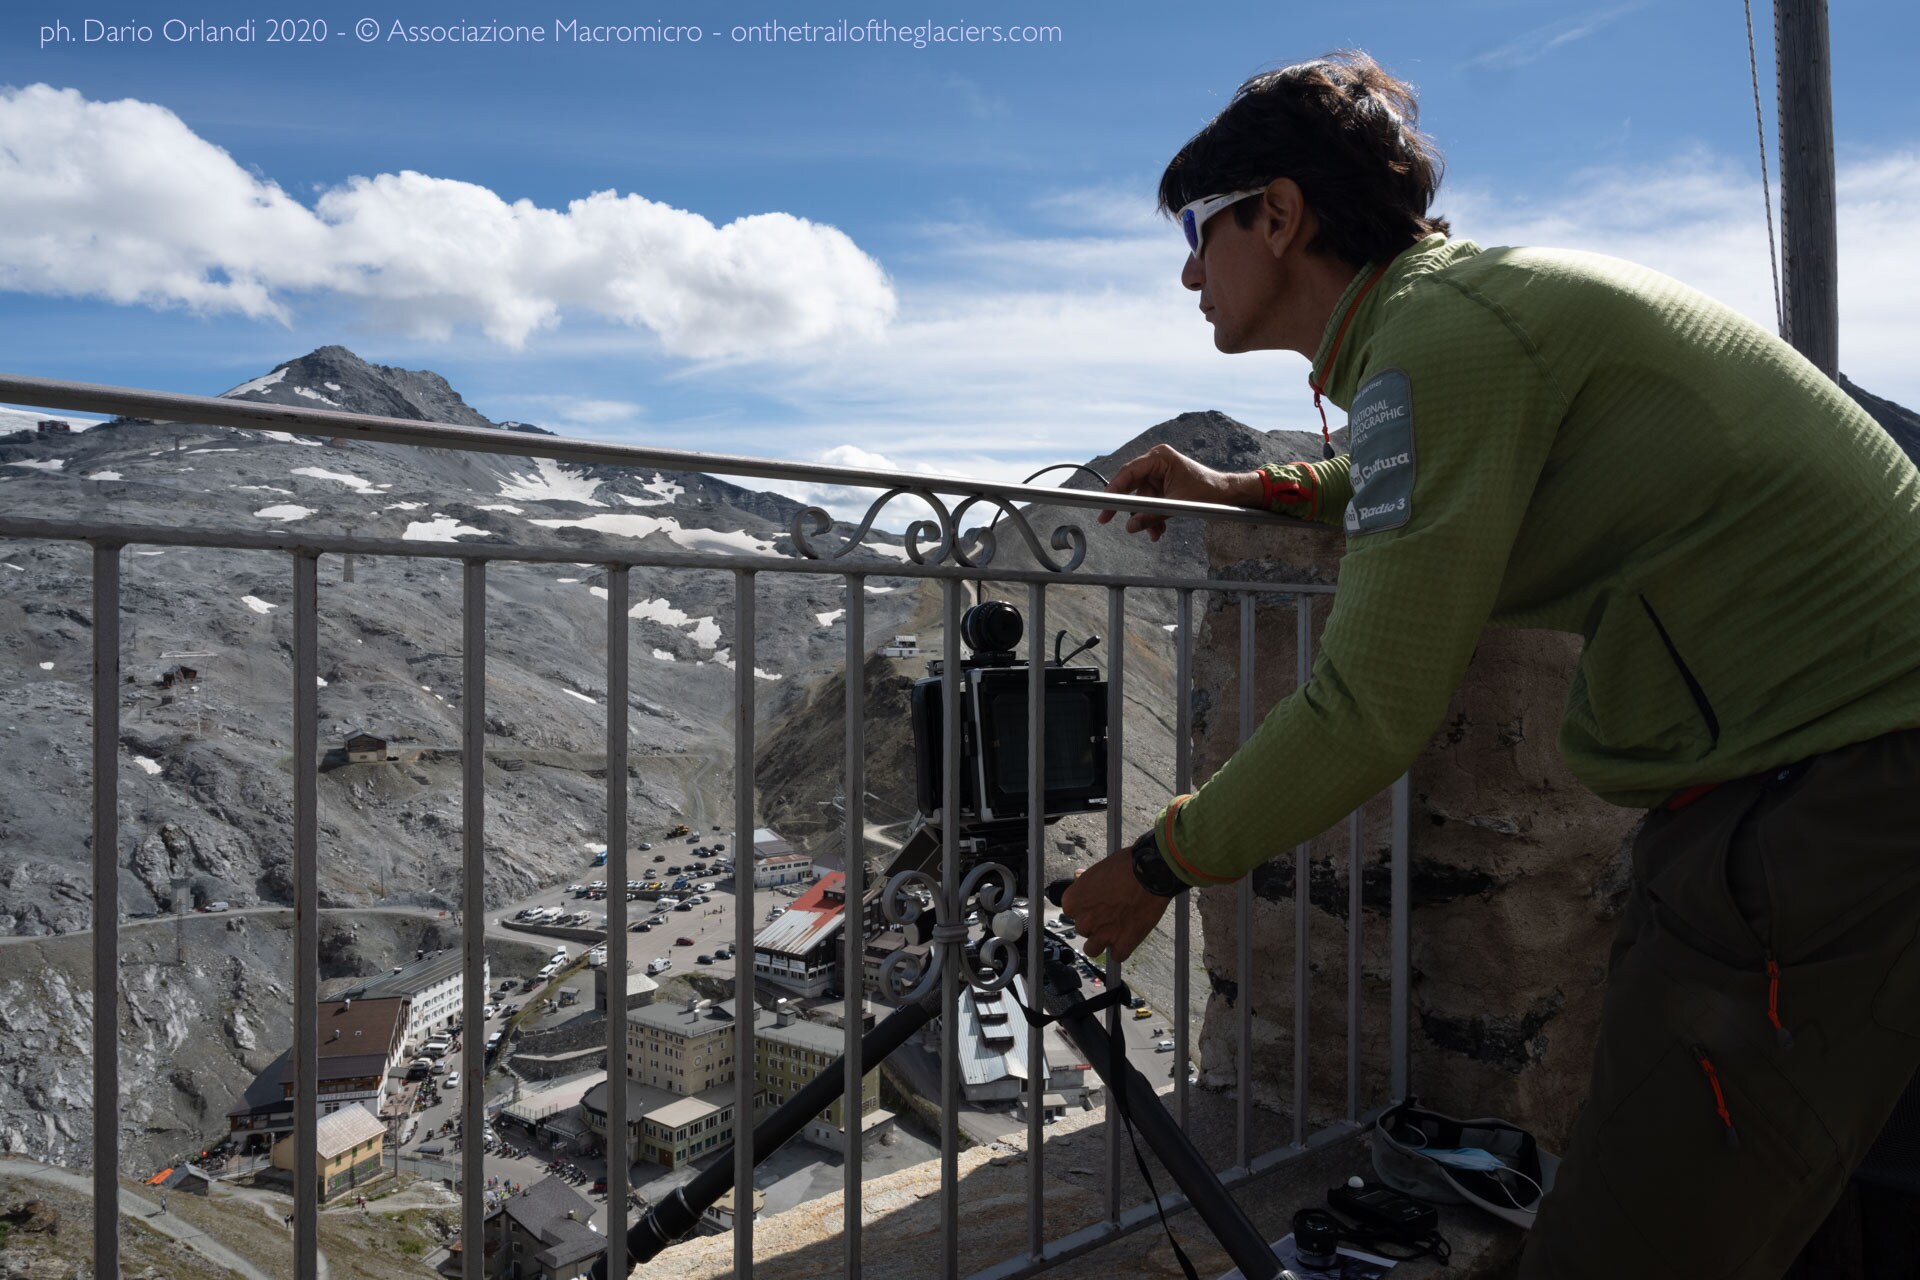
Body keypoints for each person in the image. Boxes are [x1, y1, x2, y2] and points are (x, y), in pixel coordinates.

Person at [1062, 49, 1920, 1280]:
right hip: (1837, 758)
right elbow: (1417, 483)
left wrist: (1160, 862)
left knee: (1637, 1236)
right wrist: (1252, 488)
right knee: (1803, 1181)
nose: (1189, 269)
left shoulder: (1439, 340)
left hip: (1821, 791)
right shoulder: (1454, 316)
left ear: (1283, 213)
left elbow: (1371, 706)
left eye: (1201, 229)